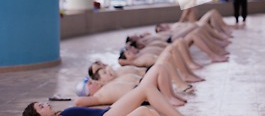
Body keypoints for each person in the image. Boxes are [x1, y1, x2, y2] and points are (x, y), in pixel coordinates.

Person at [23, 61, 183, 116]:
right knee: (146, 92)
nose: (46, 104)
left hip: (108, 111)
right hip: (108, 115)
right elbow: (79, 101)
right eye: (41, 107)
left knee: (147, 111)